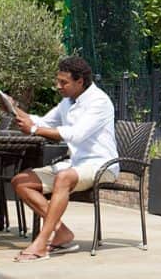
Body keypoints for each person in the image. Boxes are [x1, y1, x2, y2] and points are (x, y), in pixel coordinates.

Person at [9, 57, 118, 261]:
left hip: (101, 165)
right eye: (57, 81)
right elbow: (43, 121)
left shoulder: (99, 102)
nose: (58, 86)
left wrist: (33, 129)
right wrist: (15, 109)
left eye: (63, 82)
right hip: (74, 164)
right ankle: (61, 232)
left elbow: (76, 134)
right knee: (21, 182)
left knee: (64, 178)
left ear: (80, 81)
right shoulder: (67, 102)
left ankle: (41, 243)